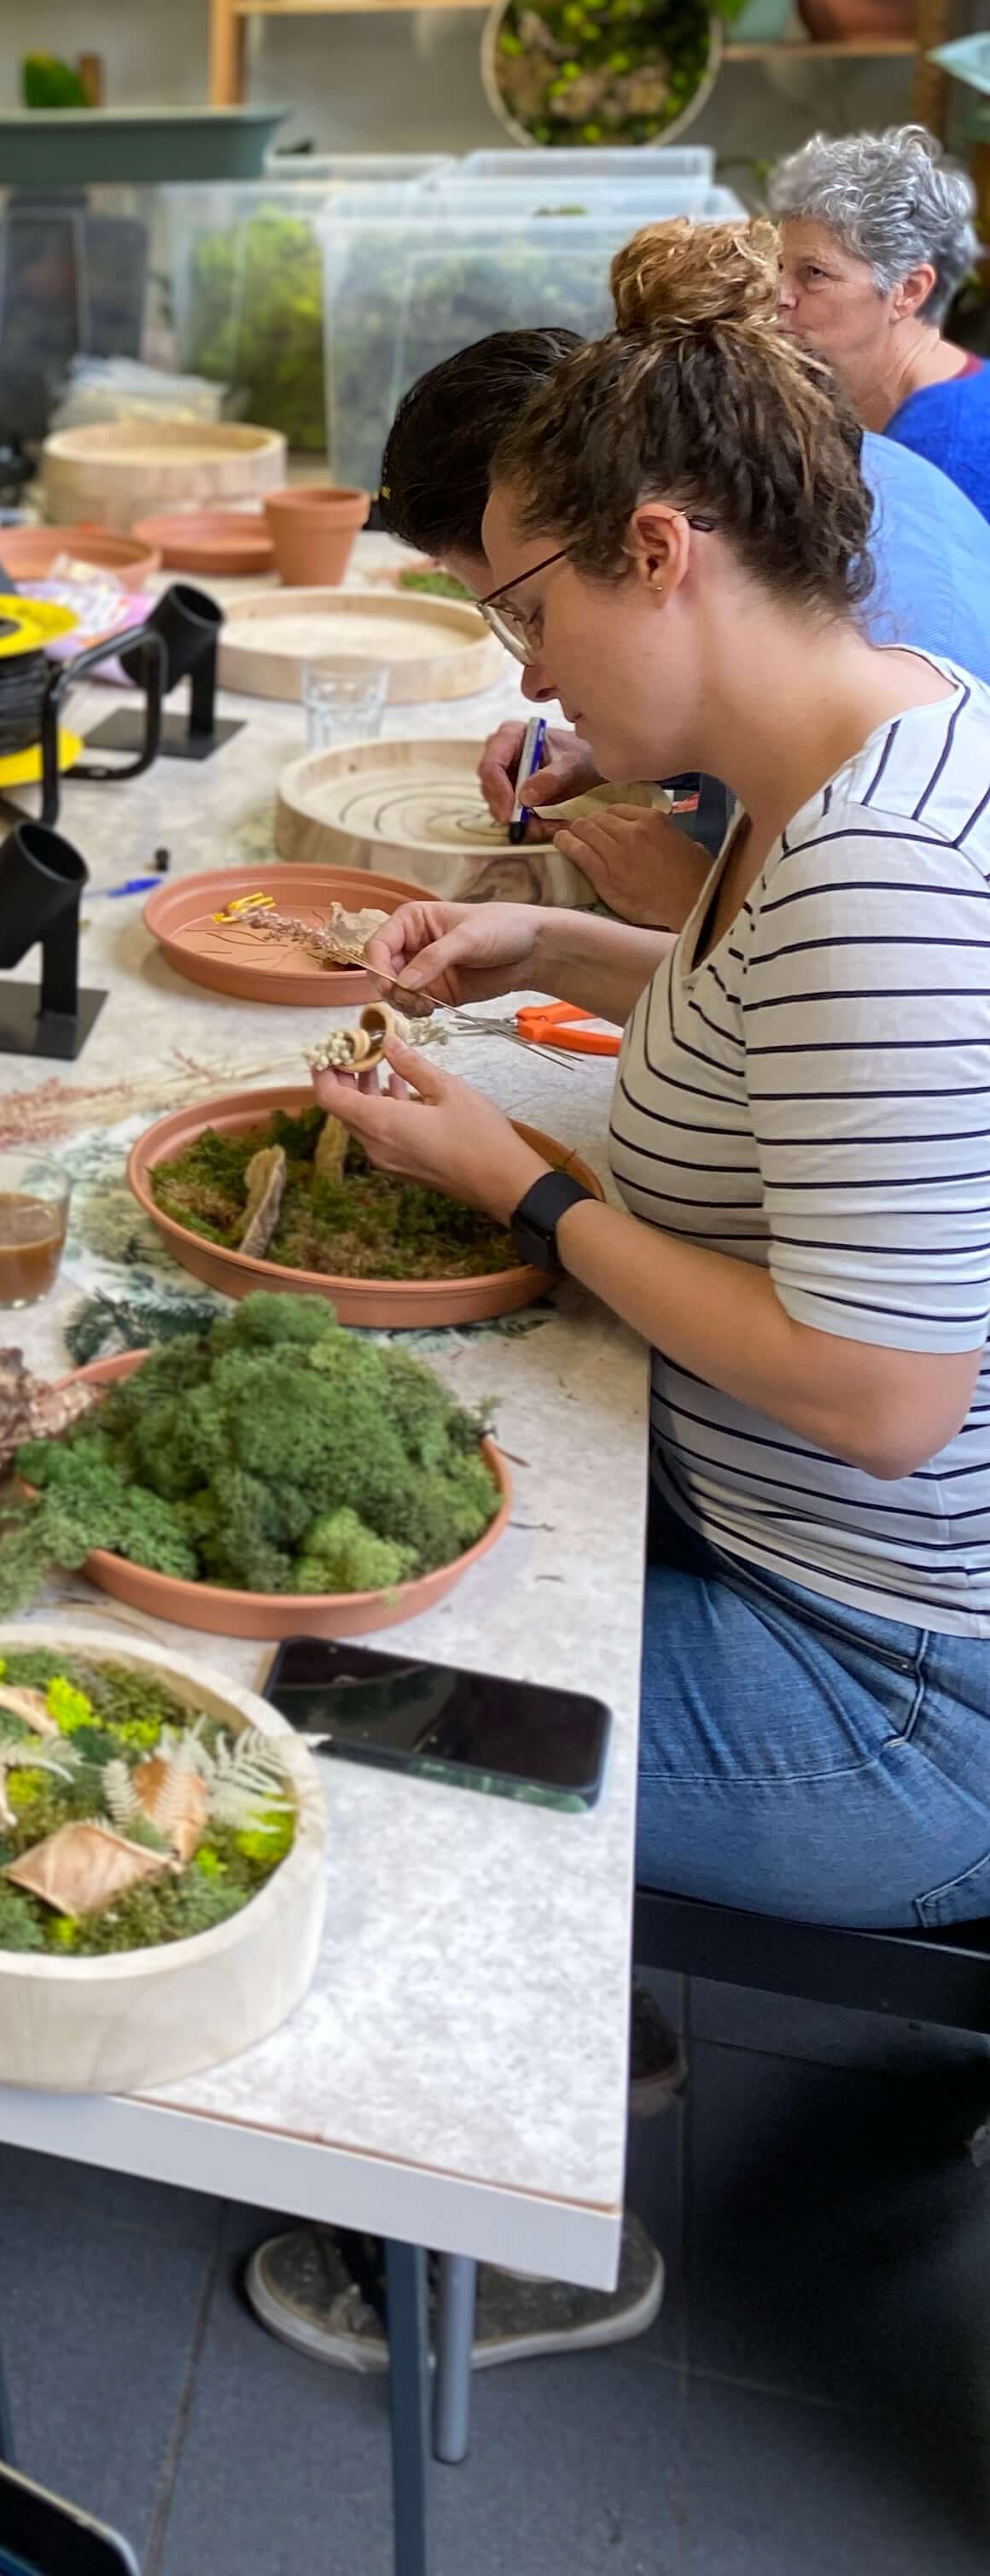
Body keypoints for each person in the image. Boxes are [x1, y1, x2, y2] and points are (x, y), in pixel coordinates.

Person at [249, 211, 990, 2379]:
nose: (524, 672)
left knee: (344, 1688)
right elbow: (783, 1041)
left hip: (897, 1690)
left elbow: (884, 1398)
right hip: (815, 1565)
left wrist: (527, 1191)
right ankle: (602, 2035)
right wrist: (564, 951)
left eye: (527, 609)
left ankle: (487, 2245)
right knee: (440, 1481)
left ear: (661, 549)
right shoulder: (862, 747)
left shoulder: (880, 878)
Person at [374, 313, 990, 928]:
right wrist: (633, 744)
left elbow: (812, 937)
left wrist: (701, 902)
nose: (534, 681)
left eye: (530, 616)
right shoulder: (775, 493)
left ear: (651, 552)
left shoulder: (871, 851)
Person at [771, 122, 990, 524]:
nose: (779, 294)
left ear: (908, 291)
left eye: (814, 273)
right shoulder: (882, 404)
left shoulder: (938, 464)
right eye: (780, 267)